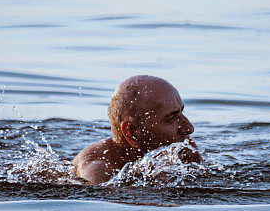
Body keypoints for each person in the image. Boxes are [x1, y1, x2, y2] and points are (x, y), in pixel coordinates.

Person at [71, 75, 200, 184]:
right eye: (171, 118)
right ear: (131, 133)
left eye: (181, 112)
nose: (188, 128)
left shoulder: (182, 148)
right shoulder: (98, 172)